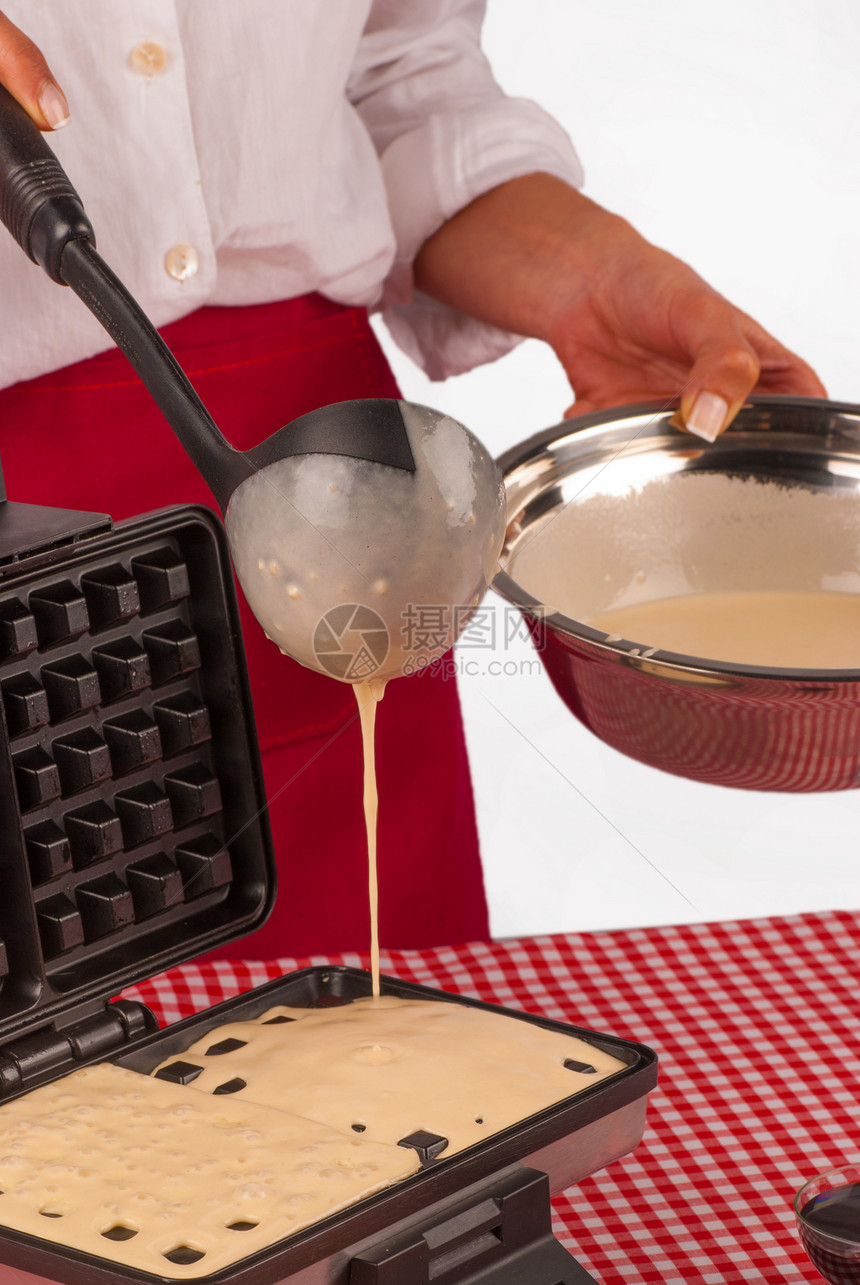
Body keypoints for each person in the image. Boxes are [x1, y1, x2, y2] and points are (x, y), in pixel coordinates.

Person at [0, 3, 825, 961]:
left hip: (343, 505)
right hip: (35, 470)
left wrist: (585, 278)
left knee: (396, 1067)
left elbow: (396, 72)